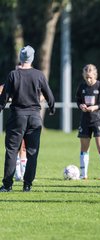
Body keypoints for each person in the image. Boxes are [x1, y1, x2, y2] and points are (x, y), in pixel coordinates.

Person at [0, 45, 55, 192]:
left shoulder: (13, 74)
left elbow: (4, 97)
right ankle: (27, 184)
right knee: (32, 152)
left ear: (20, 57)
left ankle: (7, 185)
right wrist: (52, 108)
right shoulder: (39, 75)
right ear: (32, 58)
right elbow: (49, 94)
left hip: (17, 117)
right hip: (34, 118)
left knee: (11, 151)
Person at [75, 64, 100, 180]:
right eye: (86, 77)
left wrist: (95, 107)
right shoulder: (82, 86)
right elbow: (78, 99)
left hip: (98, 119)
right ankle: (83, 174)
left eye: (90, 77)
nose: (88, 79)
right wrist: (80, 105)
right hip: (85, 119)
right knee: (84, 147)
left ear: (95, 75)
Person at [0, 81, 27, 182]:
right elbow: (1, 90)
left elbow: (41, 95)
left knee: (23, 146)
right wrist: (8, 98)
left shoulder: (27, 82)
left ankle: (23, 174)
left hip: (25, 117)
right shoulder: (11, 82)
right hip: (15, 118)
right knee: (14, 147)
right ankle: (17, 174)